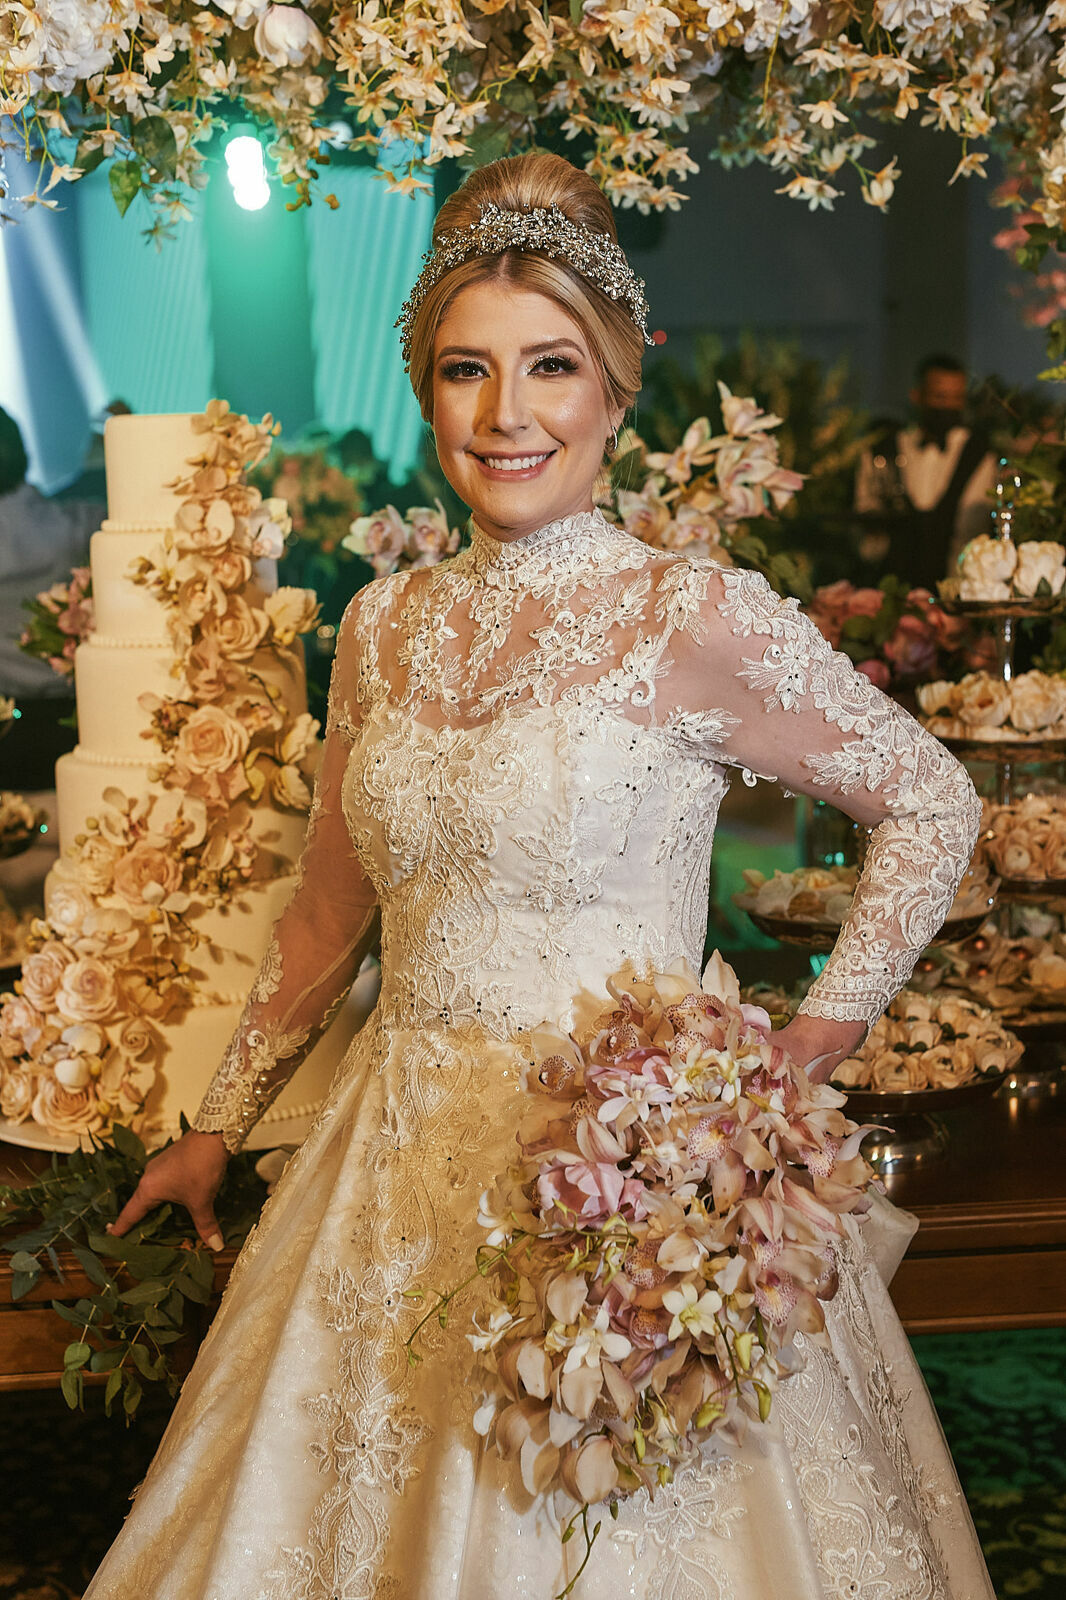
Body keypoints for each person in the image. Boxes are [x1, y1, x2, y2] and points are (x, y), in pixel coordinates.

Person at [85, 153, 993, 1598]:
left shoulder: (691, 613)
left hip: (630, 1193)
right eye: (468, 370)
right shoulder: (380, 625)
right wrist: (215, 1125)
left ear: (616, 389)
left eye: (551, 366)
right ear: (427, 392)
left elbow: (932, 798)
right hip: (388, 1177)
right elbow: (328, 915)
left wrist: (806, 1048)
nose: (507, 413)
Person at [0, 407, 102, 788]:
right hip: (80, 722)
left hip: (10, 728)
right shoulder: (77, 526)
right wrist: (101, 457)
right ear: (23, 454)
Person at [854, 354, 999, 588]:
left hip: (950, 588)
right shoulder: (882, 449)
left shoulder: (978, 454)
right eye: (940, 397)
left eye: (956, 398)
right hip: (888, 587)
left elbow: (970, 532)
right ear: (917, 396)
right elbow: (868, 530)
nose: (948, 407)